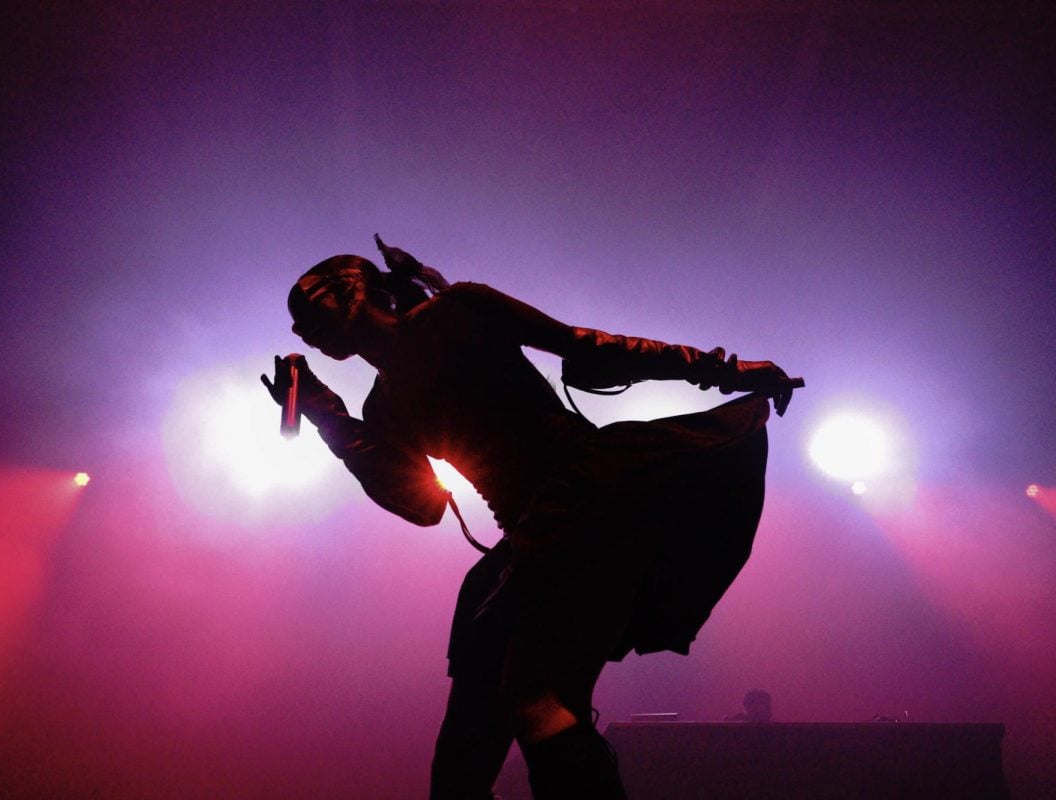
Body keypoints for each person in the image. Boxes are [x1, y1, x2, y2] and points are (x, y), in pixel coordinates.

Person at [262, 236, 802, 799]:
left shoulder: (460, 308)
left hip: (587, 496)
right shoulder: (383, 406)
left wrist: (728, 371)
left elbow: (591, 348)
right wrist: (331, 419)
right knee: (470, 741)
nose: (302, 333)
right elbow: (419, 505)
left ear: (349, 290)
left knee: (534, 698)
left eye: (307, 311)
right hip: (533, 531)